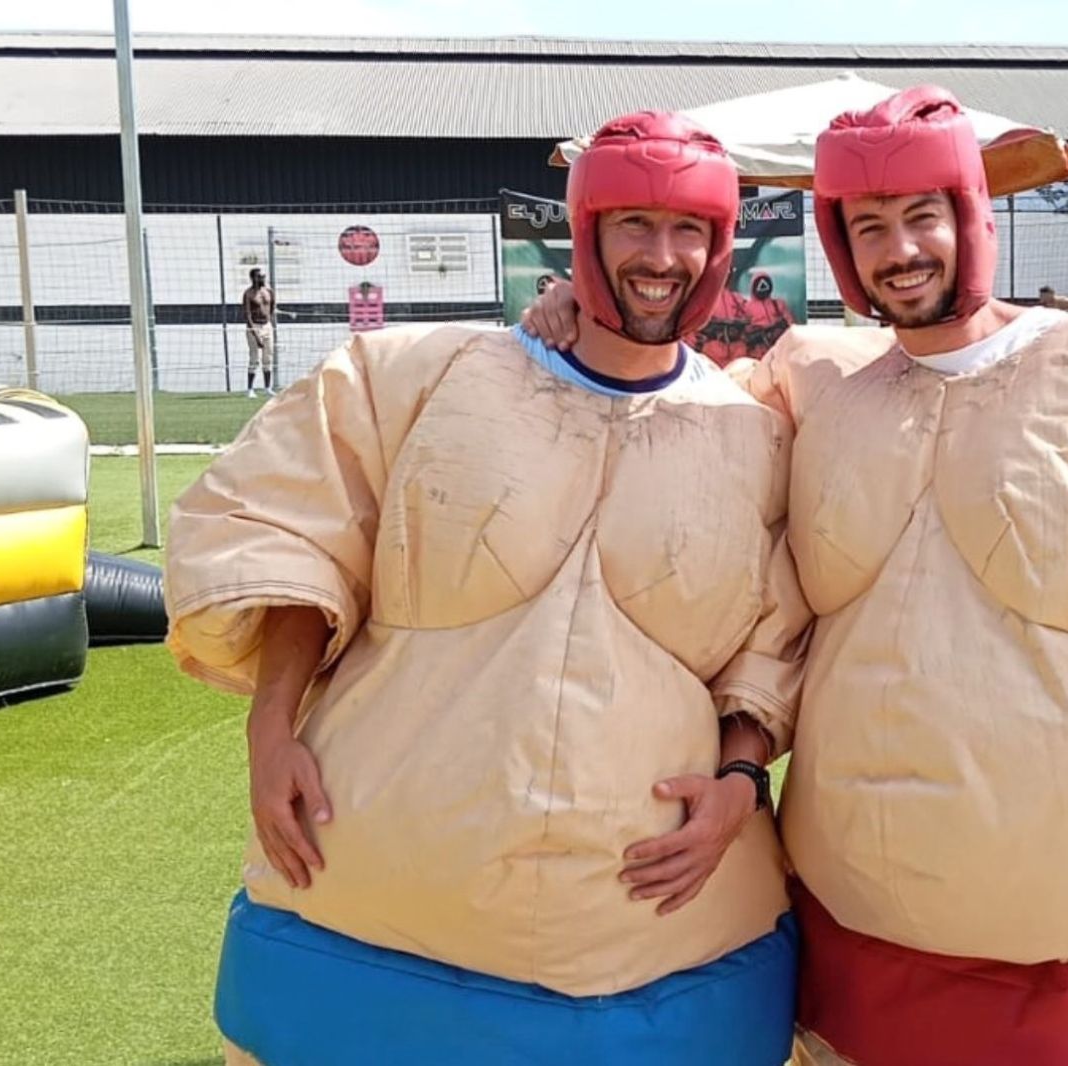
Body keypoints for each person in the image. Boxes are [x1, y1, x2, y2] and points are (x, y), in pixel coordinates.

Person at [524, 86, 1068, 1066]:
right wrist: (584, 311)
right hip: (882, 934)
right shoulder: (816, 389)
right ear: (840, 246)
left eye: (920, 218)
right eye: (870, 227)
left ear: (969, 217)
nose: (900, 251)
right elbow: (686, 439)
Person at [166, 111, 806, 1066]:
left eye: (689, 230)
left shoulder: (750, 435)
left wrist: (740, 782)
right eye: (633, 223)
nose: (661, 256)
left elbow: (774, 638)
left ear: (720, 249)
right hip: (375, 889)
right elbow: (299, 529)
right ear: (585, 231)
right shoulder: (422, 375)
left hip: (642, 930)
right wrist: (270, 728)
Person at [241, 268, 276, 398]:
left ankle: (267, 388)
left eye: (263, 276)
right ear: (253, 278)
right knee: (254, 358)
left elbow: (272, 308)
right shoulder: (248, 294)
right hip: (254, 326)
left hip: (266, 326)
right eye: (259, 276)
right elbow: (247, 314)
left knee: (268, 358)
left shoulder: (269, 292)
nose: (262, 279)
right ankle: (250, 389)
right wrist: (255, 334)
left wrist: (269, 324)